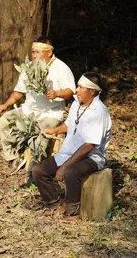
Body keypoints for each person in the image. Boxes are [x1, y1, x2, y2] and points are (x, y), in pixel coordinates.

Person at [31, 73, 112, 217]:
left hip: (91, 157)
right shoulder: (76, 103)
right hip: (69, 152)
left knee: (70, 171)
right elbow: (70, 124)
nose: (76, 90)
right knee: (38, 170)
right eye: (77, 86)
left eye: (81, 87)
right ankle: (52, 202)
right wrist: (55, 130)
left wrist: (64, 166)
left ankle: (73, 210)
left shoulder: (99, 112)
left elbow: (89, 146)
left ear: (91, 91)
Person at [0, 37, 76, 165]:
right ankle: (13, 159)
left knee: (42, 132)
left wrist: (57, 93)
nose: (33, 56)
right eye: (32, 52)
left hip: (50, 113)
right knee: (3, 122)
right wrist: (6, 105)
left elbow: (70, 90)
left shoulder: (61, 68)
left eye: (37, 52)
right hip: (28, 110)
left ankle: (35, 167)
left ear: (49, 52)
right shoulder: (29, 67)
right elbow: (19, 91)